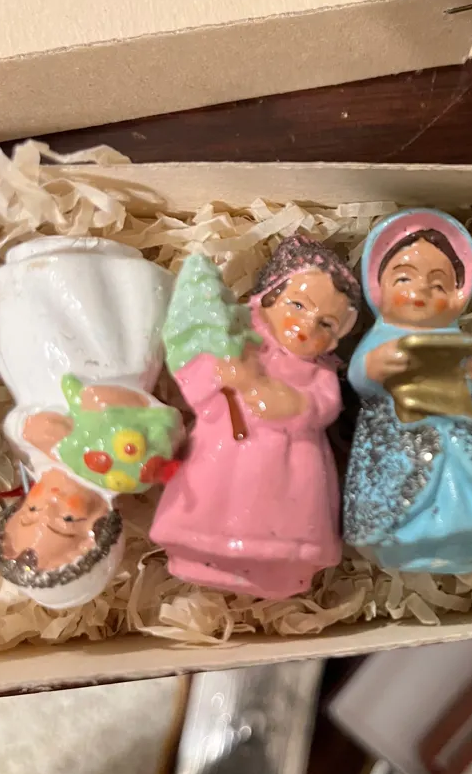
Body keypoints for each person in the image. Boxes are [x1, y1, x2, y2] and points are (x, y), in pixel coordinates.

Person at [151, 237, 361, 599]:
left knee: (282, 522)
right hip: (221, 448)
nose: (306, 325)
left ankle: (280, 567)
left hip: (291, 467)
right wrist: (224, 372)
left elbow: (322, 405)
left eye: (326, 323)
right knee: (213, 496)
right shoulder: (241, 343)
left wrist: (277, 397)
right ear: (269, 297)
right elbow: (203, 385)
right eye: (298, 305)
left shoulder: (319, 373)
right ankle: (200, 551)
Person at [343, 209, 472, 575]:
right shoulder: (381, 339)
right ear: (378, 288)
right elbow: (360, 378)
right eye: (404, 278)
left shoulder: (457, 338)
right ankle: (408, 541)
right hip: (402, 437)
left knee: (470, 490)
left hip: (462, 432)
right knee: (406, 493)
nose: (420, 290)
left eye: (437, 285)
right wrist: (375, 367)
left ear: (457, 296)